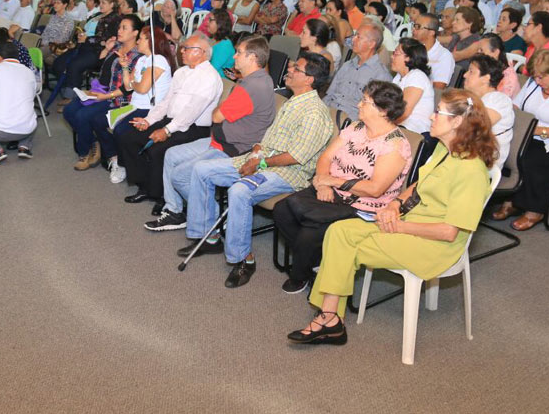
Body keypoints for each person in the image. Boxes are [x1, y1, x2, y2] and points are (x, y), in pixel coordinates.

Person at [288, 89, 497, 344]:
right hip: (410, 222)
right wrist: (395, 204)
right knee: (338, 231)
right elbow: (420, 184)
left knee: (347, 246)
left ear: (456, 122)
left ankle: (329, 319)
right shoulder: (447, 150)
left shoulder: (471, 170)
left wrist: (399, 227)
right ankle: (331, 319)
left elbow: (448, 232)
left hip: (435, 245)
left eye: (438, 112)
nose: (431, 116)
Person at [180, 53, 335, 289]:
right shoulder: (292, 100)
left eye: (297, 68)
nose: (290, 69)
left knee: (240, 191)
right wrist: (256, 152)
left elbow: (296, 157)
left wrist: (259, 164)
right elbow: (268, 139)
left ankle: (244, 259)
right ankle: (209, 237)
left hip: (288, 174)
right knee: (202, 170)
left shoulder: (315, 113)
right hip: (262, 161)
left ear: (309, 79)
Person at [274, 80, 413, 294]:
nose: (358, 105)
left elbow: (375, 189)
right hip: (332, 191)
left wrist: (333, 182)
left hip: (363, 205)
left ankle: (301, 273)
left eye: (365, 101)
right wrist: (323, 183)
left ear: (383, 111)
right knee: (282, 209)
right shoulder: (356, 128)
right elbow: (326, 156)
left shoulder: (395, 145)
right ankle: (315, 260)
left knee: (309, 232)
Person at [146, 36, 278, 231]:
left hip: (233, 148)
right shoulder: (257, 79)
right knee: (171, 154)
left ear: (252, 58)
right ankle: (175, 211)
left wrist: (227, 101)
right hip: (220, 140)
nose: (234, 56)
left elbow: (216, 116)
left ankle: (213, 219)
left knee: (180, 176)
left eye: (239, 52)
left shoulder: (251, 86)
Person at [116, 34, 223, 210]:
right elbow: (165, 102)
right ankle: (145, 186)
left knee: (159, 150)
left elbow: (191, 112)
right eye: (183, 47)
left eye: (187, 48)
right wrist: (149, 120)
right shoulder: (181, 72)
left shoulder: (209, 77)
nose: (182, 51)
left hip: (194, 128)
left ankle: (162, 196)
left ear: (201, 52)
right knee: (130, 137)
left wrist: (166, 130)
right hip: (172, 121)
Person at [492, 49, 549, 231]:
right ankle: (512, 198)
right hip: (531, 134)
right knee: (508, 149)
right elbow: (517, 105)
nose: (537, 81)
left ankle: (535, 209)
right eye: (535, 76)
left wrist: (537, 131)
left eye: (542, 77)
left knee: (531, 158)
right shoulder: (534, 84)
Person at [63, 14, 144, 170]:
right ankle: (94, 141)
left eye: (124, 28)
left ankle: (85, 153)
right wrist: (106, 49)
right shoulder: (117, 47)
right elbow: (100, 66)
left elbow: (129, 87)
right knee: (69, 110)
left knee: (82, 115)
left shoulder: (137, 56)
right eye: (119, 27)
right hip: (100, 90)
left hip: (116, 98)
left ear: (135, 33)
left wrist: (105, 95)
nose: (119, 30)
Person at [108, 26, 177, 184]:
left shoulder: (158, 59)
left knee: (120, 130)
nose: (138, 41)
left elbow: (143, 88)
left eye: (141, 38)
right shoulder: (142, 60)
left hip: (150, 109)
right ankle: (122, 163)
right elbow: (129, 86)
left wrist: (135, 82)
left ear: (151, 41)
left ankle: (124, 166)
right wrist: (125, 67)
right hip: (135, 105)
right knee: (114, 125)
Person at [52, 0, 122, 104]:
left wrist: (87, 39)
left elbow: (108, 39)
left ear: (112, 4)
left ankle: (71, 99)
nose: (100, 5)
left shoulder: (115, 19)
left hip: (97, 51)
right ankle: (66, 91)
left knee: (74, 66)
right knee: (58, 63)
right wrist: (80, 35)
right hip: (82, 47)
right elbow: (85, 29)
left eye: (104, 3)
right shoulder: (97, 15)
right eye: (100, 2)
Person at [323, 21, 390, 121]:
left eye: (358, 37)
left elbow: (373, 113)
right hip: (328, 113)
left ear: (371, 44)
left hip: (349, 121)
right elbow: (329, 95)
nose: (353, 39)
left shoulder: (381, 75)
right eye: (355, 35)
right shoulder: (347, 65)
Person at [463, 54, 515, 167]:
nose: (465, 75)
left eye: (471, 72)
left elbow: (475, 127)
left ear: (486, 78)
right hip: (468, 153)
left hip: (485, 161)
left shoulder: (499, 100)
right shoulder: (471, 99)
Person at [390, 38, 434, 135]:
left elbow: (404, 112)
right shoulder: (398, 77)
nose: (391, 57)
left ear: (408, 57)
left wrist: (384, 125)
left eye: (396, 53)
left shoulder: (417, 76)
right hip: (400, 127)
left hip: (414, 130)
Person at [413, 13, 455, 89]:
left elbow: (438, 89)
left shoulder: (444, 56)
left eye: (418, 27)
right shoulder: (411, 48)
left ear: (431, 32)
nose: (413, 30)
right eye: (414, 26)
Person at [478, 33, 521, 98]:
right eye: (478, 50)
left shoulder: (508, 78)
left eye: (481, 50)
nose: (478, 53)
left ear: (495, 52)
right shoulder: (481, 67)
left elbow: (499, 102)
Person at [39, 0, 77, 65]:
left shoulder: (68, 20)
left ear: (65, 5)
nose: (55, 5)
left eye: (58, 3)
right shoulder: (53, 17)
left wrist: (46, 43)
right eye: (55, 2)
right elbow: (45, 32)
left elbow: (62, 39)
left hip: (56, 48)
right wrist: (42, 42)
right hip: (46, 45)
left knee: (36, 54)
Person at [207, 10, 236, 78]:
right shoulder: (214, 39)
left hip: (219, 81)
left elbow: (212, 69)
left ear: (220, 24)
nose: (207, 22)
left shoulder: (225, 45)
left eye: (211, 20)